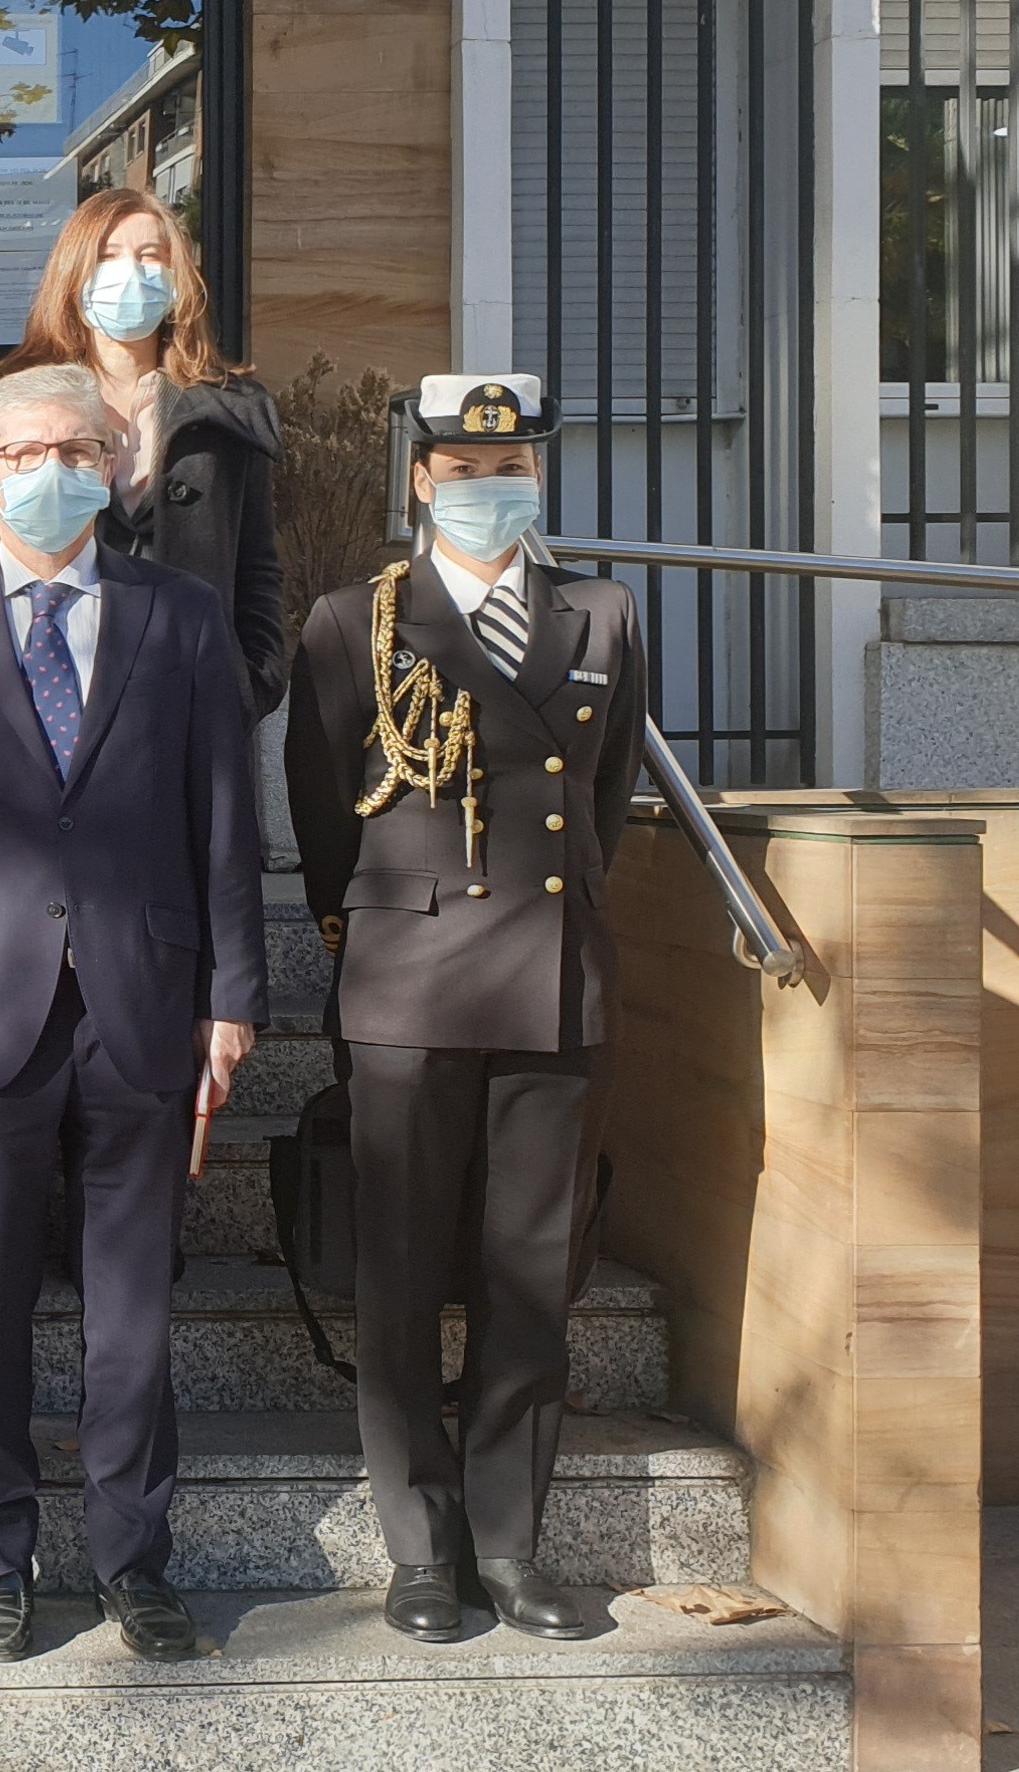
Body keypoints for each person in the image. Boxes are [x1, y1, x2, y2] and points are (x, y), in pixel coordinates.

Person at [0, 363, 268, 1666]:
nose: (51, 470)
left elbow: (224, 822)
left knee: (131, 1302)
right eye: (23, 451)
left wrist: (233, 997)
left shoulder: (181, 616)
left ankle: (129, 1558)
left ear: (112, 468)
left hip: (143, 1000)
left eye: (77, 449)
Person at [283, 373, 645, 1645]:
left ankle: (508, 1541)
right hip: (410, 979)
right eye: (464, 468)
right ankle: (421, 1548)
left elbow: (601, 811)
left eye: (512, 469)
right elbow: (325, 820)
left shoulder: (602, 615)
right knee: (398, 1275)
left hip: (554, 978)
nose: (490, 488)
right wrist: (378, 932)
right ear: (421, 479)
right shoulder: (351, 622)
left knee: (530, 1275)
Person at [0, 184, 287, 722]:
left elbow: (257, 565)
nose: (130, 272)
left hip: (198, 698)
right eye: (108, 256)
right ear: (74, 274)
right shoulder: (22, 401)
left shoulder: (230, 407)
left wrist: (251, 684)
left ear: (178, 279)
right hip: (61, 693)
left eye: (151, 256)